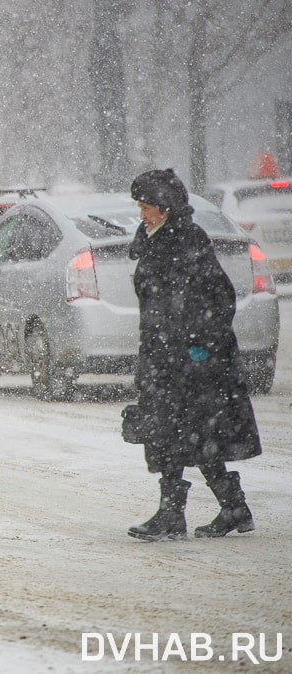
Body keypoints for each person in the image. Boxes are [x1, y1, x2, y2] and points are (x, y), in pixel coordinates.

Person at [125, 168, 262, 541]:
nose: (142, 214)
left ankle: (173, 516)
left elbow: (218, 296)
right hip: (164, 355)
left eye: (146, 206)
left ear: (165, 207)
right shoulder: (157, 239)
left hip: (188, 358)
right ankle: (232, 507)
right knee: (191, 434)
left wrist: (199, 345)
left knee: (178, 432)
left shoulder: (186, 240)